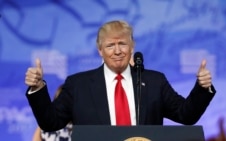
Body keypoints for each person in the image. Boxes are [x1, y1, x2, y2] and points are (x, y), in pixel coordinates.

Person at [25, 20, 216, 132]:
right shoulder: (78, 85)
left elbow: (186, 115)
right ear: (100, 50)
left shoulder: (153, 81)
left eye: (122, 44)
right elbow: (50, 123)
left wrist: (202, 87)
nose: (117, 51)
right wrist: (38, 88)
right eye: (110, 46)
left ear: (132, 47)